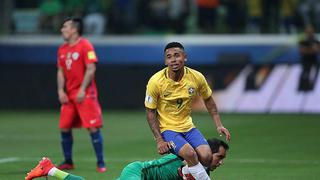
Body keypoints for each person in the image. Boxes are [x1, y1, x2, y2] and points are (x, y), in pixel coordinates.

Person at [144, 42, 231, 180]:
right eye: (169, 57)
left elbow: (208, 100)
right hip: (167, 129)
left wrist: (219, 124)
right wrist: (159, 140)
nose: (173, 59)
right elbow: (150, 112)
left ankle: (185, 171)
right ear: (165, 61)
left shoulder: (196, 77)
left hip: (188, 127)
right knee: (190, 154)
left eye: (177, 55)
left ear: (185, 57)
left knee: (207, 157)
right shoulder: (156, 81)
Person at [25, 138, 229, 180]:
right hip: (138, 172)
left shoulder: (202, 172)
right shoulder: (189, 159)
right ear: (208, 152)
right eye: (219, 156)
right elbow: (184, 171)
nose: (220, 161)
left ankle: (49, 169)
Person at [56, 17, 106, 172]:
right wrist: (60, 90)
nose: (62, 30)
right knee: (64, 127)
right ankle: (68, 161)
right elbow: (61, 71)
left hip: (85, 94)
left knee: (92, 127)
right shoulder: (62, 49)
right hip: (69, 95)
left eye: (65, 27)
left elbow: (91, 68)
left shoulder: (85, 46)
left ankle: (100, 163)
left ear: (74, 30)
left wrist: (83, 89)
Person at [298, 24, 320, 91]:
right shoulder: (303, 41)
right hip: (305, 62)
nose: (310, 33)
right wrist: (312, 50)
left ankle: (312, 88)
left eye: (311, 32)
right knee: (305, 76)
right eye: (308, 32)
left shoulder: (316, 41)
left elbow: (317, 50)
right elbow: (302, 51)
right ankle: (304, 88)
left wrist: (309, 49)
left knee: (314, 77)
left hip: (314, 62)